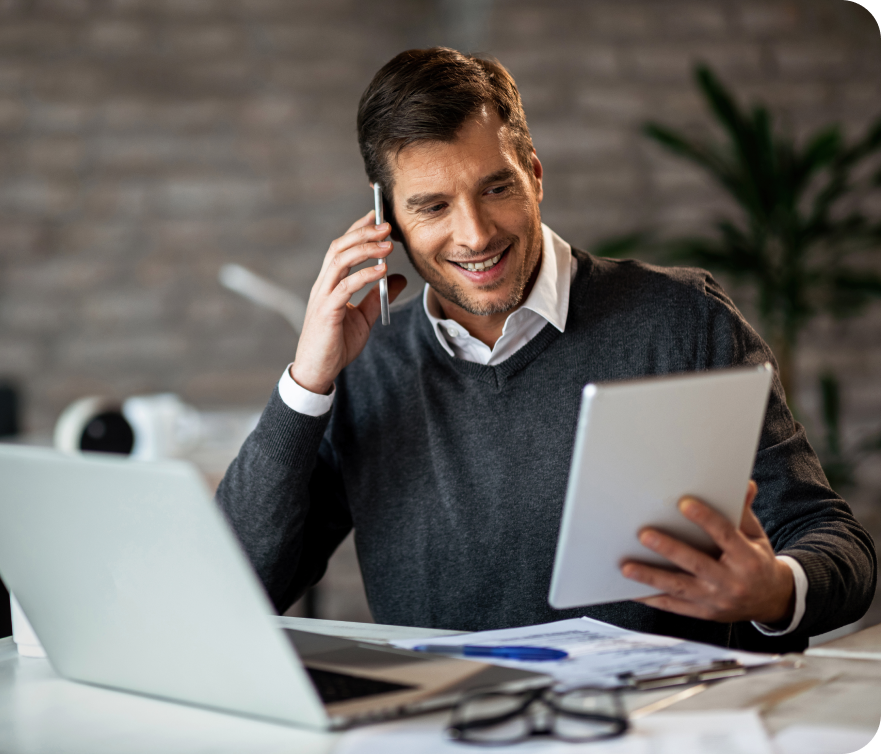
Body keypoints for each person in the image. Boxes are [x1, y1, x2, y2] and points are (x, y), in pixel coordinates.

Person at [217, 47, 876, 652]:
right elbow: (233, 587)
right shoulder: (366, 366)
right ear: (386, 221)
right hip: (445, 733)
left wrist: (775, 590)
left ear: (533, 175)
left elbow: (836, 547)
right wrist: (308, 379)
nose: (473, 234)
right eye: (432, 205)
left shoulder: (682, 320)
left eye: (495, 188)